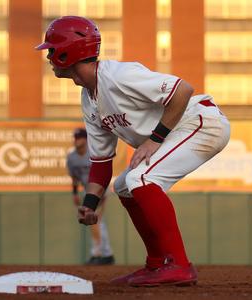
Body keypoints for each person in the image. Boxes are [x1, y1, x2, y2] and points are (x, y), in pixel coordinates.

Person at [37, 16, 230, 287]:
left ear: (68, 51)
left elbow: (183, 90)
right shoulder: (89, 99)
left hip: (202, 123)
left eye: (51, 49)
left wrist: (155, 139)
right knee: (124, 186)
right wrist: (90, 204)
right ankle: (156, 265)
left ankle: (180, 265)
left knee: (142, 179)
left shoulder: (117, 75)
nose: (48, 56)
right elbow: (101, 161)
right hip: (174, 132)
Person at [66, 128, 114, 265]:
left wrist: (103, 194)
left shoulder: (93, 153)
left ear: (86, 139)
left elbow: (103, 172)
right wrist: (75, 193)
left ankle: (98, 253)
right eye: (75, 138)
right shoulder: (72, 157)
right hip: (87, 192)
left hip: (101, 190)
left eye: (79, 137)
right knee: (97, 222)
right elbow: (74, 178)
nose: (76, 140)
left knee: (97, 221)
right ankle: (105, 253)